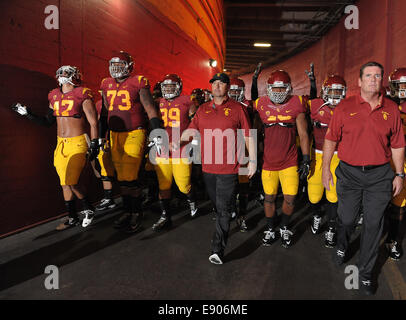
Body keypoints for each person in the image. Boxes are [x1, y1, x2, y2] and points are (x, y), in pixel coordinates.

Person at [322, 61, 405, 295]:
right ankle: (342, 244)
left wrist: (399, 173)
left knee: (373, 224)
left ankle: (366, 273)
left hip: (379, 176)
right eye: (368, 75)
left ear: (382, 81)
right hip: (349, 173)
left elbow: (398, 144)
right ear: (359, 81)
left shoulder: (391, 110)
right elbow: (331, 139)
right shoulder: (344, 107)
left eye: (378, 76)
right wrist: (325, 168)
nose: (373, 79)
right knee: (346, 219)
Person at [180, 72, 256, 264]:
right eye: (214, 83)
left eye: (221, 84)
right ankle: (230, 208)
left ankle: (217, 249)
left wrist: (253, 160)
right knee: (218, 205)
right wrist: (176, 142)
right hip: (208, 168)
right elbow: (191, 129)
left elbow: (248, 136)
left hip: (229, 169)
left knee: (222, 210)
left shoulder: (238, 109)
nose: (217, 86)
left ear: (227, 87)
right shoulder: (203, 109)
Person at [11, 65, 99, 230]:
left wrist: (95, 143)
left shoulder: (83, 93)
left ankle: (88, 208)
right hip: (61, 144)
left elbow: (93, 122)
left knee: (72, 181)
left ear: (75, 75)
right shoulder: (54, 95)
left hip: (77, 142)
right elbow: (47, 121)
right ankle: (72, 217)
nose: (62, 74)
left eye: (66, 72)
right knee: (64, 183)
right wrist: (28, 113)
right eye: (61, 72)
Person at [99, 51, 161, 233]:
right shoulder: (105, 83)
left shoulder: (138, 82)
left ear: (129, 66)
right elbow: (104, 111)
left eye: (121, 65)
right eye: (114, 65)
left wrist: (156, 131)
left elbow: (149, 108)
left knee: (131, 174)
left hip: (135, 132)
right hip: (114, 134)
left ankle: (136, 212)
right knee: (122, 177)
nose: (116, 69)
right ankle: (128, 210)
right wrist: (101, 136)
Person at [254, 70, 310, 248]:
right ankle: (271, 228)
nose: (278, 92)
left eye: (281, 89)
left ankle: (284, 226)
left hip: (289, 161)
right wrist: (254, 158)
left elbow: (303, 134)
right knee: (269, 198)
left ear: (289, 88)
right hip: (269, 162)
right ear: (269, 89)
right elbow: (255, 134)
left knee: (290, 198)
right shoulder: (260, 104)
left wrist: (306, 158)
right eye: (275, 89)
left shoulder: (297, 103)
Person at [149, 73, 199, 231]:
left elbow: (196, 124)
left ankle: (192, 201)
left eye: (172, 86)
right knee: (164, 185)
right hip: (161, 148)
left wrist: (189, 143)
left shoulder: (188, 101)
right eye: (166, 86)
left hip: (181, 148)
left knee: (183, 186)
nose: (169, 89)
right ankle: (165, 216)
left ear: (179, 87)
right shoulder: (157, 102)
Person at [307, 75, 347, 249]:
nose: (335, 94)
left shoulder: (348, 109)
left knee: (333, 196)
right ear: (324, 92)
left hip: (338, 156)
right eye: (331, 90)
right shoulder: (314, 105)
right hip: (317, 154)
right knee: (314, 196)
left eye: (339, 91)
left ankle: (331, 228)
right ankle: (317, 215)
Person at [385, 67, 406, 260]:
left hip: (402, 161)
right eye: (399, 86)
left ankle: (393, 240)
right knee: (380, 200)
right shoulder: (385, 105)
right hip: (386, 159)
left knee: (399, 203)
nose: (402, 90)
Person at [93, 97, 117, 212]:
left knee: (106, 169)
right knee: (103, 169)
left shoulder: (105, 105)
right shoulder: (99, 103)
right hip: (104, 138)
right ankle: (109, 198)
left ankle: (109, 199)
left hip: (107, 139)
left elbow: (101, 121)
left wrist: (103, 139)